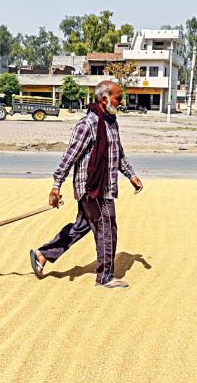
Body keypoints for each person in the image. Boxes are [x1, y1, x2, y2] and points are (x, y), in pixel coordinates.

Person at [30, 81, 143, 289]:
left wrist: (131, 175)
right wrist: (56, 185)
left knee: (81, 227)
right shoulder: (87, 124)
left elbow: (118, 154)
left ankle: (42, 254)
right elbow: (69, 156)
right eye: (118, 97)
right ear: (105, 99)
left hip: (104, 187)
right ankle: (105, 277)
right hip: (93, 188)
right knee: (107, 228)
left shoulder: (111, 122)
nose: (121, 102)